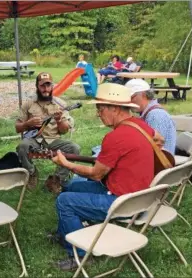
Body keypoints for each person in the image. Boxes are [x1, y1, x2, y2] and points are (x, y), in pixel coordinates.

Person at [48, 83, 161, 271]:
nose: (97, 114)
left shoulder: (116, 137)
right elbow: (160, 139)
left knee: (64, 201)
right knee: (72, 185)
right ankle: (65, 233)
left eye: (100, 109)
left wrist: (65, 164)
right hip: (142, 198)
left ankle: (81, 255)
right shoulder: (141, 126)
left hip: (123, 203)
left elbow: (96, 174)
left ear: (114, 109)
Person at [15, 72, 80, 192]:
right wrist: (27, 124)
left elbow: (64, 130)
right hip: (34, 139)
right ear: (37, 86)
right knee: (22, 146)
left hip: (54, 140)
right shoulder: (28, 104)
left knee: (74, 148)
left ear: (52, 86)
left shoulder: (60, 104)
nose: (46, 89)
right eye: (42, 86)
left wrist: (59, 120)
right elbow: (17, 127)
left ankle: (56, 179)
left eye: (48, 86)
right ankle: (32, 172)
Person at [125, 78, 177, 154]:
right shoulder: (148, 113)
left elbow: (156, 149)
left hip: (159, 164)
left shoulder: (156, 115)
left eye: (131, 97)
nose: (129, 101)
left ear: (143, 95)